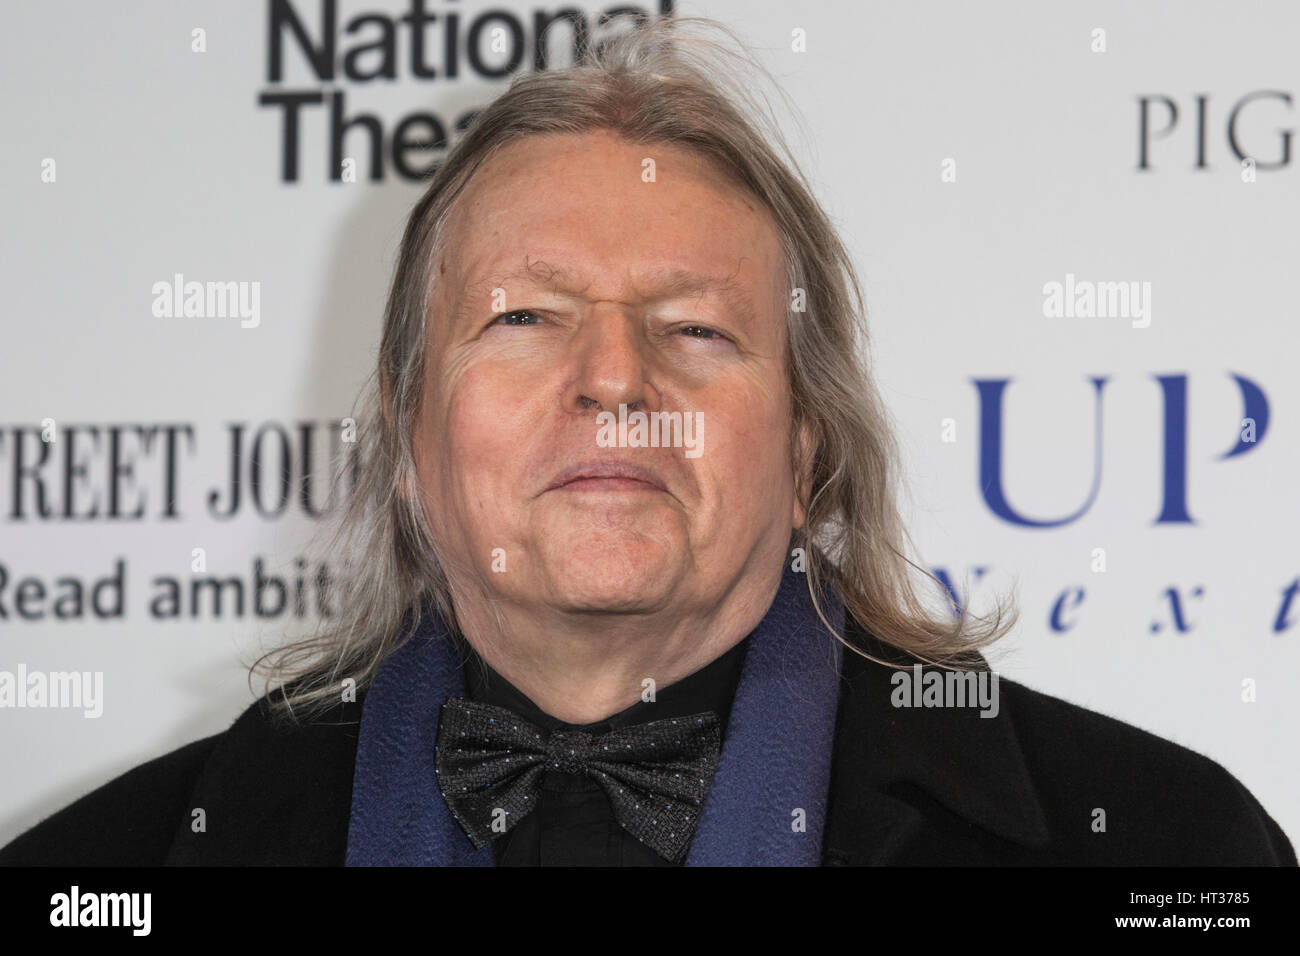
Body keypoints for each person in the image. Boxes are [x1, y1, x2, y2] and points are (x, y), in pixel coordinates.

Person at [1, 16, 1292, 867]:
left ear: (806, 450)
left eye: (696, 329)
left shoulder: (1166, 854)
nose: (614, 379)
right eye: (524, 316)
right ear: (405, 442)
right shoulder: (106, 875)